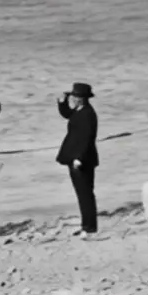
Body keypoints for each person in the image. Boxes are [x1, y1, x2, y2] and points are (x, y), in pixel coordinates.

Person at [56, 82, 100, 234]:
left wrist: (79, 158)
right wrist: (62, 103)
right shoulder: (79, 110)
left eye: (74, 96)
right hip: (75, 157)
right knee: (82, 194)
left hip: (82, 160)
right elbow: (67, 114)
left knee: (86, 194)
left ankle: (90, 227)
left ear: (81, 98)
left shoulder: (88, 114)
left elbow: (88, 138)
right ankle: (86, 225)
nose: (72, 99)